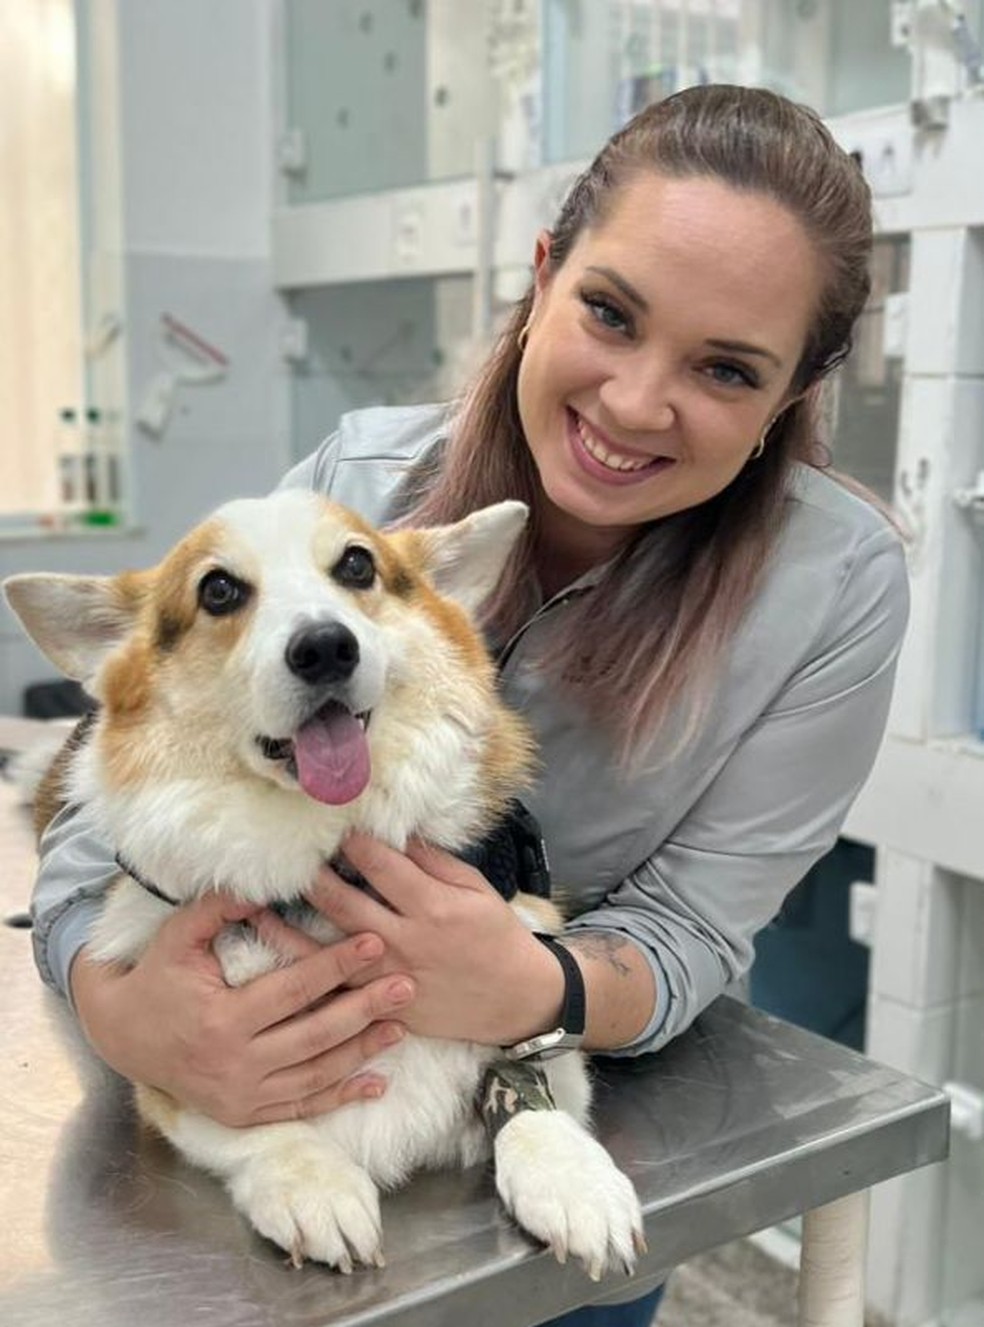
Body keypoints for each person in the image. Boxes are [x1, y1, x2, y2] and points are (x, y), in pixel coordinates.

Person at [30, 84, 907, 1327]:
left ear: (791, 398)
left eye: (725, 368)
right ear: (543, 276)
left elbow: (696, 929)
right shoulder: (361, 484)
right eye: (609, 312)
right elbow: (101, 816)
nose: (635, 402)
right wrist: (126, 1014)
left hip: (572, 1085)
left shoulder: (834, 589)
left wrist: (532, 987)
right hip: (276, 1082)